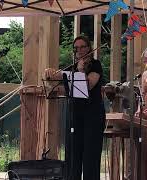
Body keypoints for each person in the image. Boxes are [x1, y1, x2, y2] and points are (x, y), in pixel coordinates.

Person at [45, 36, 106, 180]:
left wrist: (79, 71)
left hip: (92, 114)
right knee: (73, 153)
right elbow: (68, 90)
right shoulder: (72, 68)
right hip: (75, 113)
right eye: (76, 48)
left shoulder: (95, 65)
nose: (79, 50)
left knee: (90, 154)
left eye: (82, 47)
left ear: (89, 48)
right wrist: (50, 77)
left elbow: (89, 85)